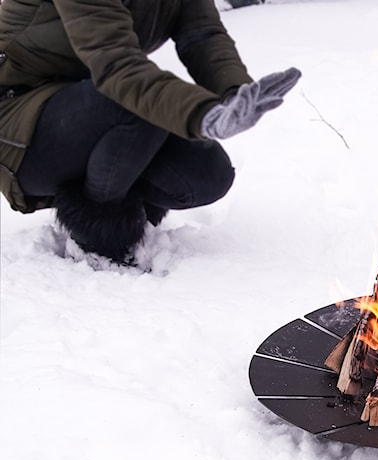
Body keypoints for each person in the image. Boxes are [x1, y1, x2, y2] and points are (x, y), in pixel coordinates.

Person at [0, 0, 301, 263]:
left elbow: (202, 35)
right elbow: (117, 65)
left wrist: (235, 94)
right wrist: (202, 114)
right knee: (137, 105)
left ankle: (114, 188)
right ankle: (97, 236)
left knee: (207, 174)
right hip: (18, 115)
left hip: (93, 103)